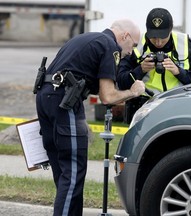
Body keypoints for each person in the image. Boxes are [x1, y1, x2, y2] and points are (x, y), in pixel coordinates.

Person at [34, 19, 145, 216]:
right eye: (133, 45)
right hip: (64, 102)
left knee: (63, 173)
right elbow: (108, 96)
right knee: (73, 172)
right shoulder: (111, 46)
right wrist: (133, 92)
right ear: (125, 36)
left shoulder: (86, 38)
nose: (131, 52)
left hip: (45, 99)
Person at [117, 8, 191, 123]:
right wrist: (140, 70)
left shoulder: (183, 42)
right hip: (144, 107)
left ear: (170, 30)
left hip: (177, 105)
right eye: (153, 37)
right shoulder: (137, 44)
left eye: (162, 37)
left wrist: (178, 71)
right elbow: (121, 82)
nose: (158, 42)